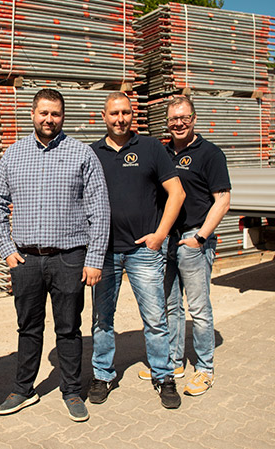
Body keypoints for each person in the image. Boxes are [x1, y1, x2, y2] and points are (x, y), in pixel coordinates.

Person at [0, 88, 111, 422]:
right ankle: (23, 389)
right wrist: (7, 250)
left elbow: (99, 210)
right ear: (32, 114)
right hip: (26, 260)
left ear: (63, 116)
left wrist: (94, 259)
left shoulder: (82, 154)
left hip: (68, 258)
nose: (49, 119)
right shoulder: (14, 154)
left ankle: (71, 391)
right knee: (28, 327)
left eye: (55, 113)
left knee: (68, 328)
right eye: (43, 113)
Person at [89, 92, 186, 409]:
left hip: (144, 251)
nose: (120, 119)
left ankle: (163, 376)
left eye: (126, 113)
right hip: (104, 252)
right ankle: (102, 375)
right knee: (102, 319)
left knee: (156, 319)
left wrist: (160, 235)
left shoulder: (150, 148)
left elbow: (177, 193)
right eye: (114, 113)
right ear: (104, 117)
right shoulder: (92, 154)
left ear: (133, 115)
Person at [162, 96, 231, 397]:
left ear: (194, 119)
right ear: (167, 122)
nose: (179, 123)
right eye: (173, 119)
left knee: (199, 308)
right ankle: (175, 363)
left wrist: (200, 237)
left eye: (184, 117)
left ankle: (205, 368)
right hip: (168, 240)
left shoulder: (210, 153)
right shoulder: (163, 152)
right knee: (171, 306)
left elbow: (223, 200)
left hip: (194, 240)